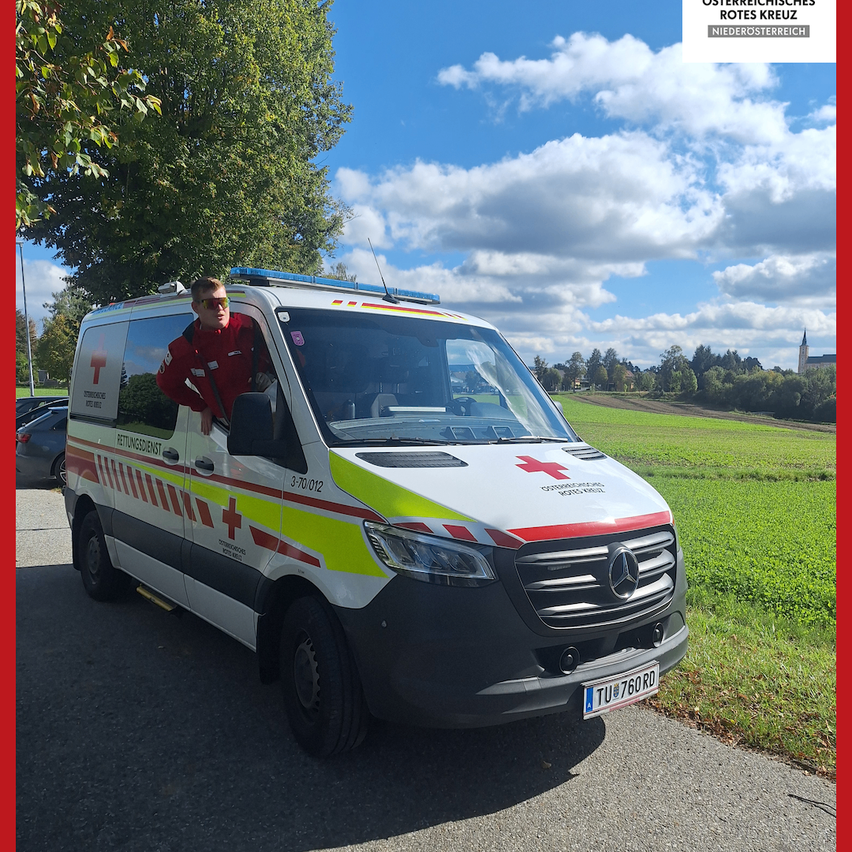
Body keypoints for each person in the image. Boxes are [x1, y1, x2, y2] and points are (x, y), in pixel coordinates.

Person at [157, 277, 268, 434]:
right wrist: (201, 406)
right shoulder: (185, 348)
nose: (220, 309)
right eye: (211, 304)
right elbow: (166, 383)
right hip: (227, 432)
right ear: (195, 307)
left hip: (274, 422)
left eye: (223, 302)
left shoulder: (251, 328)